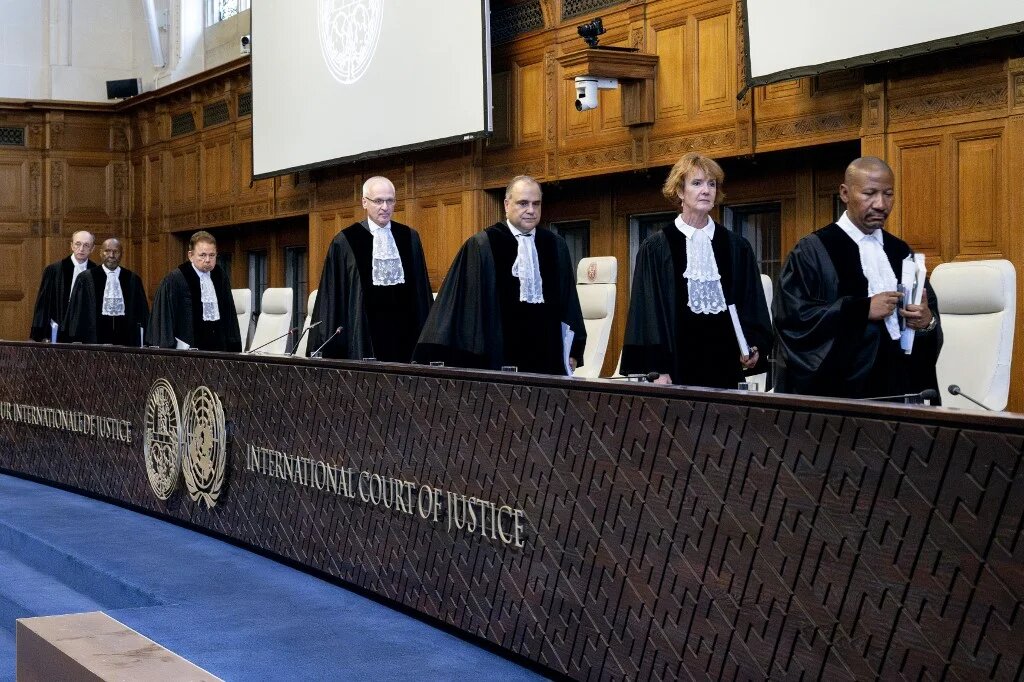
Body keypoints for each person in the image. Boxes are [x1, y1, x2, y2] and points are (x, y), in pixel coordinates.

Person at [774, 156, 942, 400]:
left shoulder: (901, 252)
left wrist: (926, 321)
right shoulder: (813, 250)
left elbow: (929, 320)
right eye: (870, 193)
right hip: (842, 395)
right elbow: (792, 320)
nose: (880, 204)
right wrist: (861, 309)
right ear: (844, 193)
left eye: (888, 194)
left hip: (900, 387)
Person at [620, 153, 772, 388]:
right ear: (680, 191)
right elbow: (647, 311)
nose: (706, 190)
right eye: (697, 183)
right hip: (675, 371)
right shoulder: (656, 248)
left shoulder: (736, 247)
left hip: (725, 369)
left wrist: (753, 346)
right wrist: (657, 368)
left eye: (712, 184)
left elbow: (751, 304)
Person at [414, 175, 586, 375]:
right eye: (523, 203)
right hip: (498, 362)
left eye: (536, 204)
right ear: (506, 204)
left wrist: (574, 350)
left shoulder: (556, 246)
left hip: (548, 361)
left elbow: (569, 301)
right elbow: (466, 310)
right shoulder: (483, 245)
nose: (531, 210)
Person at [306, 176, 433, 361]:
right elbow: (332, 297)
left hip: (406, 338)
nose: (385, 207)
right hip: (363, 340)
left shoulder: (409, 237)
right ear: (364, 202)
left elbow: (421, 294)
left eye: (390, 201)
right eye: (378, 201)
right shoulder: (346, 241)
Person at [148, 230, 241, 352]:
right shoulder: (175, 279)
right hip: (188, 354)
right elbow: (164, 324)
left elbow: (230, 317)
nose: (208, 260)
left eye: (212, 255)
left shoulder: (220, 276)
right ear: (190, 255)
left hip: (219, 350)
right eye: (202, 255)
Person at [64, 238, 149, 346]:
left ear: (121, 254)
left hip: (126, 341)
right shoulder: (86, 278)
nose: (111, 255)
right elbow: (75, 313)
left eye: (116, 252)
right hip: (93, 341)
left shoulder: (132, 279)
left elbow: (142, 314)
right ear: (100, 253)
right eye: (107, 251)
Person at [30, 230, 97, 342]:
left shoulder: (96, 272)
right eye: (78, 244)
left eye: (86, 245)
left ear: (92, 248)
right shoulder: (54, 270)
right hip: (59, 329)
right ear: (71, 245)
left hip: (86, 331)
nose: (81, 249)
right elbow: (43, 304)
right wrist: (39, 335)